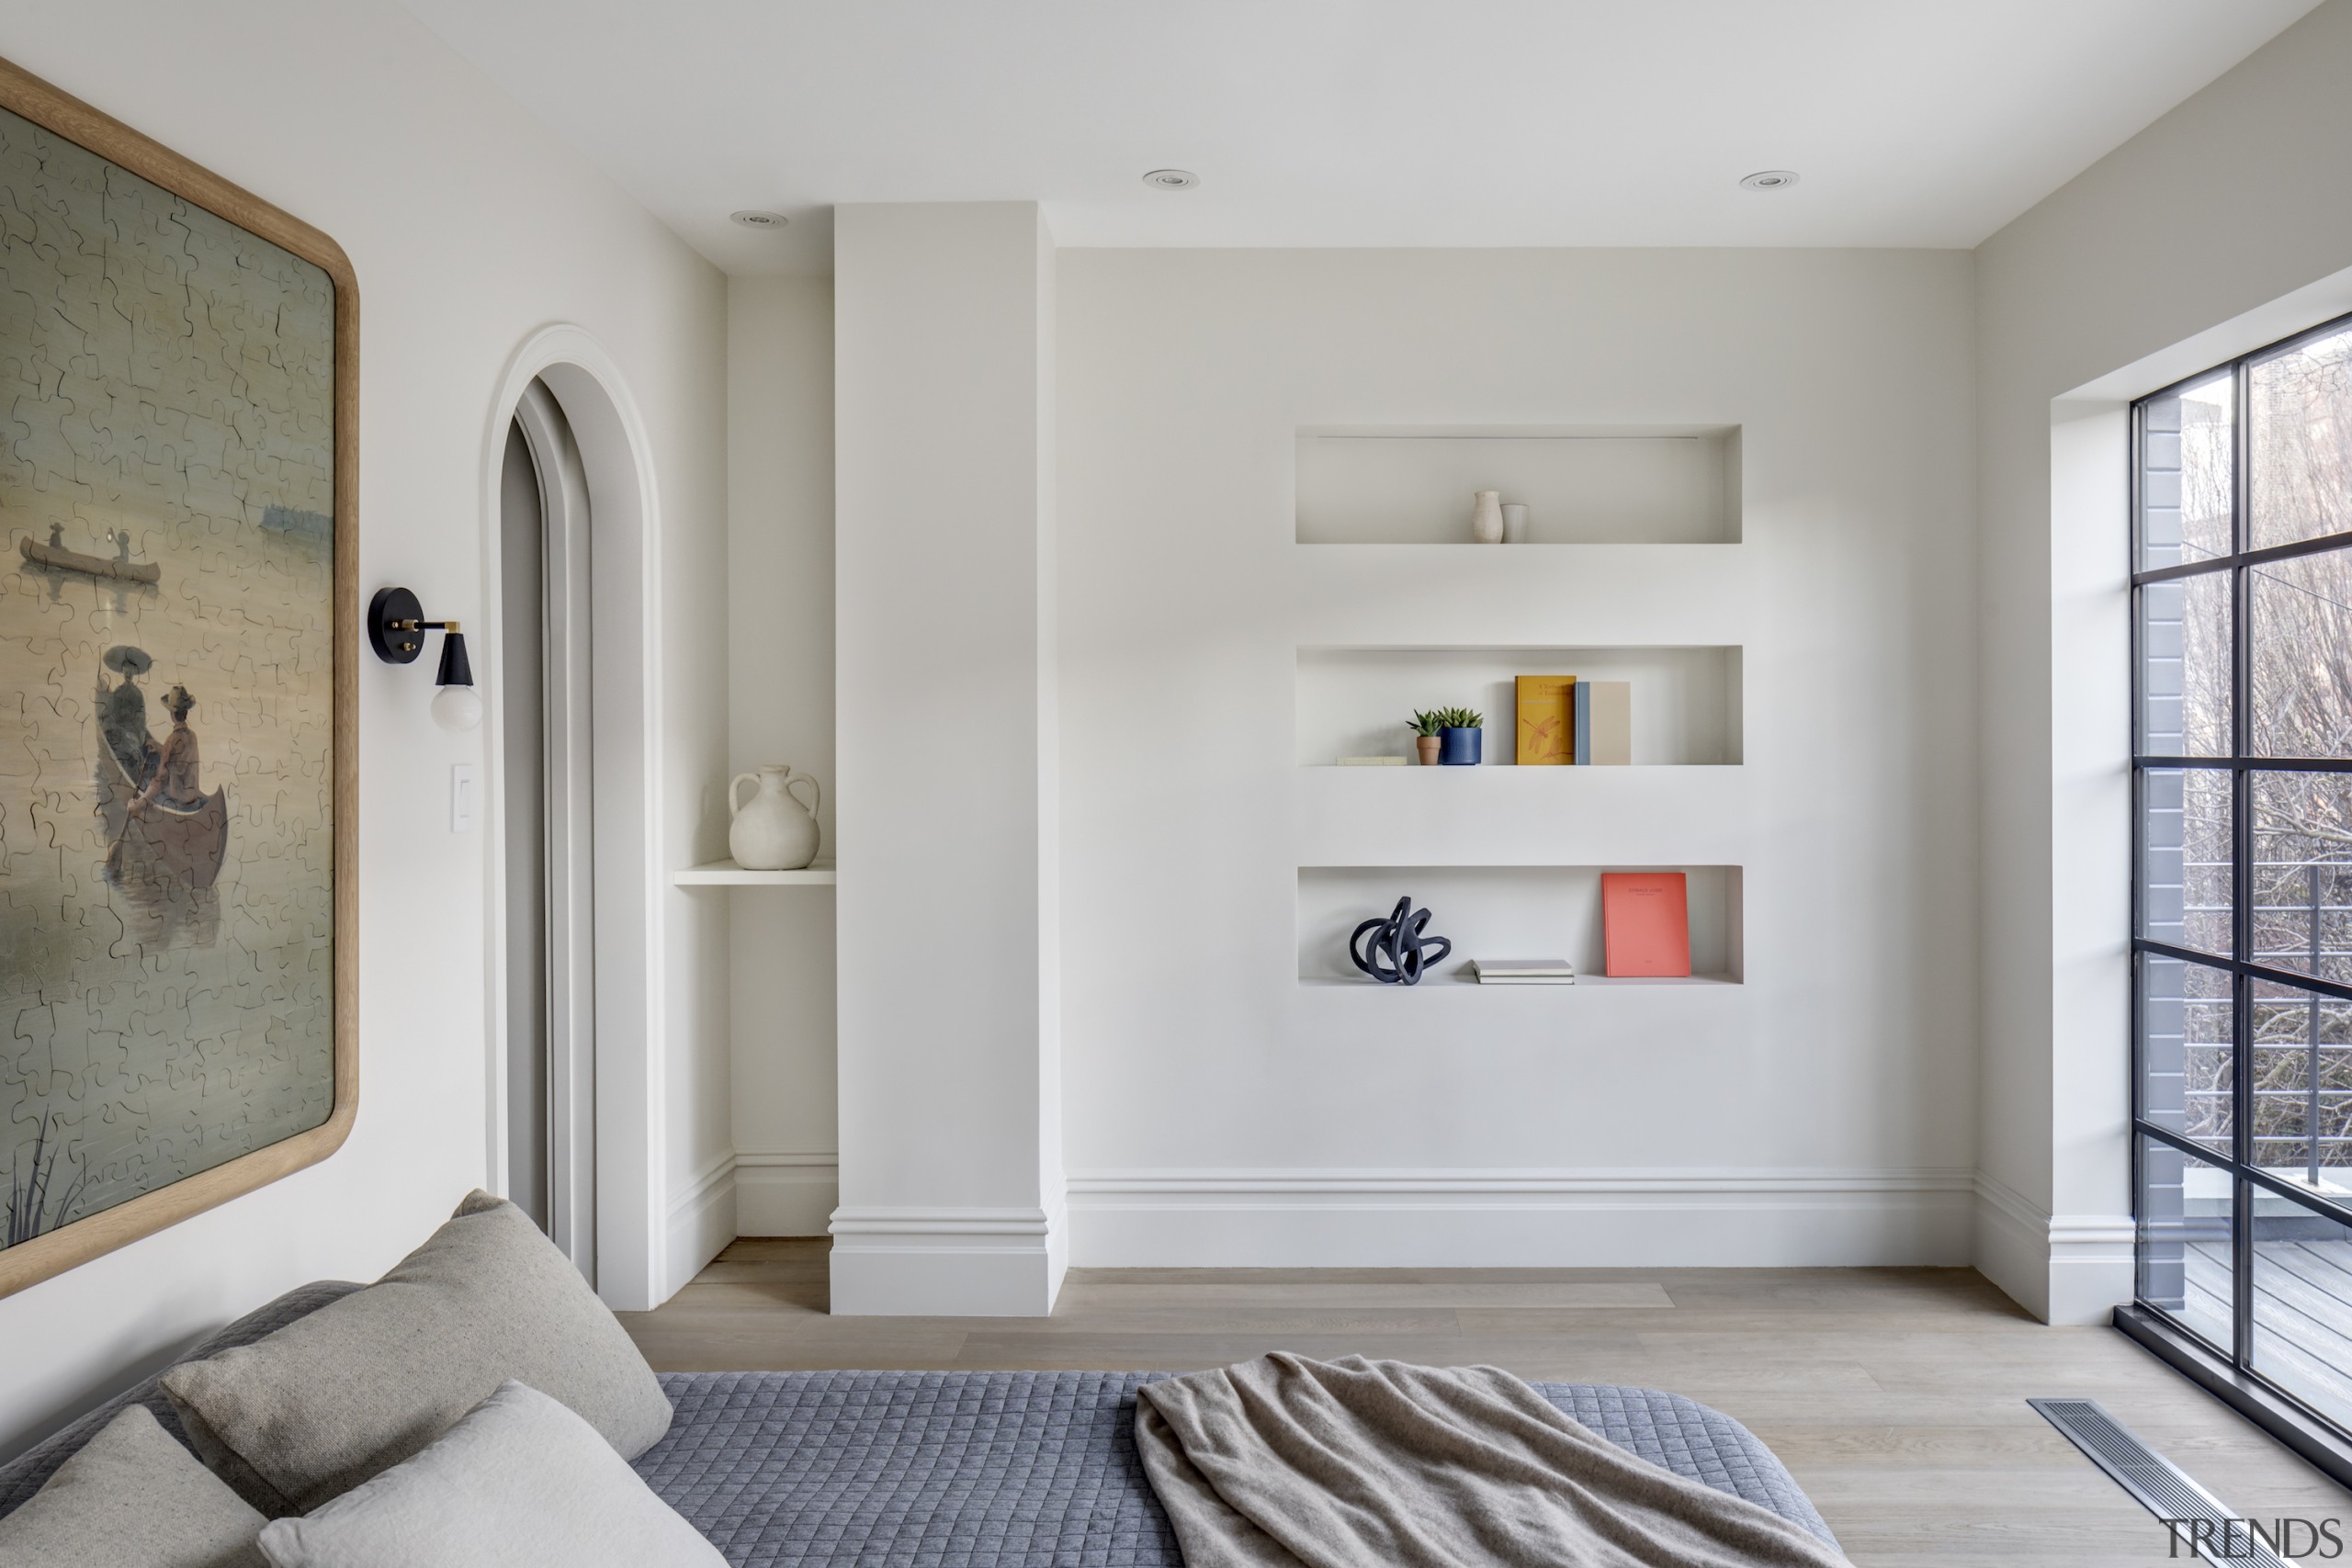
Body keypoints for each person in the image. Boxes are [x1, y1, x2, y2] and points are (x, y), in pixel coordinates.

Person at [130, 685, 204, 816]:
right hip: (191, 795)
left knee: (147, 782)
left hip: (178, 799)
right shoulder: (192, 736)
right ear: (186, 712)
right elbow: (179, 759)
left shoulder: (172, 740)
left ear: (171, 714)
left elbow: (159, 780)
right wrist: (161, 748)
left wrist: (138, 804)